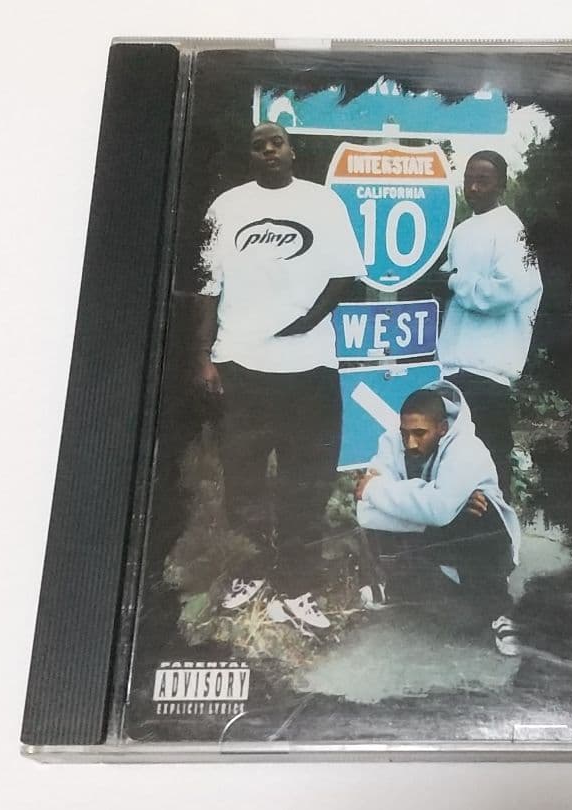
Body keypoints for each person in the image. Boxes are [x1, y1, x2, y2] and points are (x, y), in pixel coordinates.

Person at [194, 122, 366, 632]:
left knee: (307, 483)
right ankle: (252, 570)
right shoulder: (225, 208)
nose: (269, 150)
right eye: (258, 145)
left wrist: (310, 320)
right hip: (241, 365)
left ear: (292, 151)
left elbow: (346, 273)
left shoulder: (323, 203)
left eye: (277, 143)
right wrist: (203, 356)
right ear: (250, 156)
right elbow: (207, 287)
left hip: (310, 368)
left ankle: (296, 586)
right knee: (243, 481)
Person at [354, 381, 522, 655]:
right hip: (440, 532)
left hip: (475, 539)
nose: (410, 443)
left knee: (481, 512)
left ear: (442, 428)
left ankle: (501, 612)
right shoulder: (391, 441)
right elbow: (366, 512)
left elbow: (439, 509)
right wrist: (440, 503)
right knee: (446, 511)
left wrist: (378, 491)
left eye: (420, 434)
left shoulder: (467, 448)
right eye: (405, 433)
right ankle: (395, 587)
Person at [436, 150, 543, 496]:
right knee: (454, 461)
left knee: (491, 461)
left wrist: (454, 282)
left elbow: (506, 292)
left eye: (483, 180)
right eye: (468, 180)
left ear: (502, 184)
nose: (473, 188)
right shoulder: (462, 231)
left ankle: (499, 526)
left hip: (488, 371)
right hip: (453, 366)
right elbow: (448, 278)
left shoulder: (512, 231)